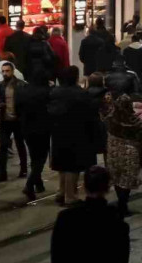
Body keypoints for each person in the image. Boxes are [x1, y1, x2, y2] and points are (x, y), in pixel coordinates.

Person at [50, 166, 130, 263]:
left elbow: (56, 257)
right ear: (108, 188)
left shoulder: (65, 218)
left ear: (83, 187)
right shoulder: (118, 223)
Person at [50, 66, 96, 206]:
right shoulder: (81, 94)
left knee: (62, 164)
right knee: (72, 166)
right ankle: (70, 196)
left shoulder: (55, 92)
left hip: (58, 132)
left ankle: (61, 191)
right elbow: (89, 115)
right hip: (76, 133)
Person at [103, 94, 142, 218]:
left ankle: (121, 203)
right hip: (130, 155)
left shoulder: (110, 119)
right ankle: (123, 204)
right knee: (126, 181)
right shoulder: (136, 122)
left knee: (117, 179)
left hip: (113, 153)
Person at [17, 71, 52, 201]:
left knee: (33, 156)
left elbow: (17, 107)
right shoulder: (47, 91)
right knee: (41, 158)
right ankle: (30, 184)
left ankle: (39, 184)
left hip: (26, 127)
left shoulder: (22, 90)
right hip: (43, 128)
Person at [0, 61, 28, 182]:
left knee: (20, 144)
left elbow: (25, 103)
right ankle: (2, 172)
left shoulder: (21, 85)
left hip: (17, 120)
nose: (5, 73)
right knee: (2, 146)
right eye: (3, 71)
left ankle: (23, 168)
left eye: (7, 71)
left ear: (13, 71)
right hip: (5, 120)